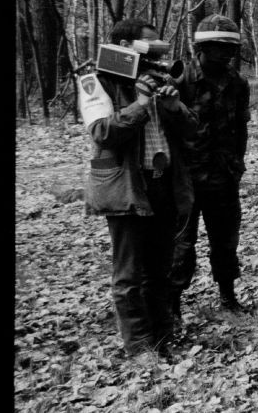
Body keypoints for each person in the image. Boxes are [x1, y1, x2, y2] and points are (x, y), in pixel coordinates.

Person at [77, 18, 199, 360]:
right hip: (127, 187)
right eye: (148, 50)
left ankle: (161, 339)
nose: (155, 60)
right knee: (129, 274)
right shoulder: (97, 81)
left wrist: (173, 107)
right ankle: (139, 347)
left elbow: (193, 131)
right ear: (123, 49)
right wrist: (142, 103)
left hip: (163, 186)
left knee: (159, 271)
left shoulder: (158, 83)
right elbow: (103, 133)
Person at [171, 14, 251, 315]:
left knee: (226, 242)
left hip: (223, 177)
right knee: (181, 245)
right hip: (185, 181)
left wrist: (238, 165)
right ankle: (173, 306)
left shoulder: (237, 83)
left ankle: (228, 298)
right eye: (219, 47)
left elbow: (241, 128)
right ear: (201, 48)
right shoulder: (180, 80)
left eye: (230, 47)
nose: (226, 54)